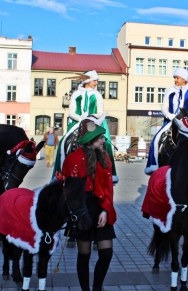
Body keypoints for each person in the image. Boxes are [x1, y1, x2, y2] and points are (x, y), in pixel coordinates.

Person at [61, 117, 117, 291]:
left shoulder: (105, 157)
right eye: (100, 137)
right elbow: (70, 192)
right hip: (82, 208)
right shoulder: (72, 159)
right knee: (84, 255)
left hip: (100, 206)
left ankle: (97, 288)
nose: (103, 140)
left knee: (106, 253)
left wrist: (105, 210)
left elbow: (108, 188)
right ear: (91, 140)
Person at [53, 70, 118, 184]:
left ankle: (110, 172)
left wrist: (90, 119)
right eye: (94, 80)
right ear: (87, 81)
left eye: (96, 80)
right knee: (63, 142)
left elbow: (100, 111)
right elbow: (72, 112)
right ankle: (60, 172)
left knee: (106, 143)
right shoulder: (76, 94)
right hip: (78, 122)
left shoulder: (97, 94)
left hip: (94, 121)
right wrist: (82, 120)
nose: (96, 83)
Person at [145, 67, 188, 175]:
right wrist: (169, 115)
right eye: (175, 78)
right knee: (155, 140)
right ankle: (154, 165)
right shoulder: (169, 91)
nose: (175, 80)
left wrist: (185, 117)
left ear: (184, 79)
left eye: (177, 78)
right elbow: (164, 107)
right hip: (170, 121)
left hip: (187, 123)